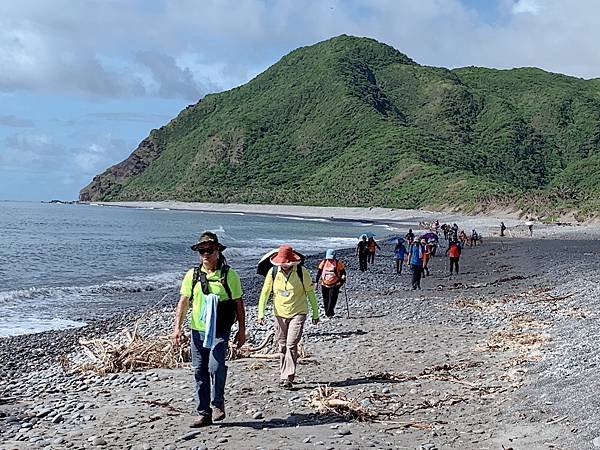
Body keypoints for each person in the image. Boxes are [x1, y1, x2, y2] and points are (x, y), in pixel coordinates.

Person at [173, 232, 246, 427]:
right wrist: (177, 328)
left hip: (220, 330)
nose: (205, 254)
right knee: (199, 371)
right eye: (201, 250)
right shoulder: (193, 275)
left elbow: (239, 303)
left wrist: (241, 330)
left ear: (218, 251)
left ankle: (218, 403)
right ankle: (203, 413)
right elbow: (183, 301)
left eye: (209, 250)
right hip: (197, 330)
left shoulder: (229, 275)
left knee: (215, 366)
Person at [257, 245, 319, 389]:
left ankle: (287, 377)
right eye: (282, 264)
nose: (285, 266)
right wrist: (261, 313)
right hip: (279, 313)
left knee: (291, 344)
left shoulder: (302, 272)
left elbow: (310, 293)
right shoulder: (272, 272)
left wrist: (316, 313)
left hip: (298, 311)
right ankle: (284, 373)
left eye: (287, 263)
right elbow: (265, 293)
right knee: (282, 346)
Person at [315, 249, 347, 318]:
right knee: (326, 299)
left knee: (332, 299)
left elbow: (343, 272)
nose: (330, 259)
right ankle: (328, 313)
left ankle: (329, 313)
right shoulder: (323, 262)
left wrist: (343, 276)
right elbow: (319, 272)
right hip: (324, 283)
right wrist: (316, 282)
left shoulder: (338, 263)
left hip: (335, 284)